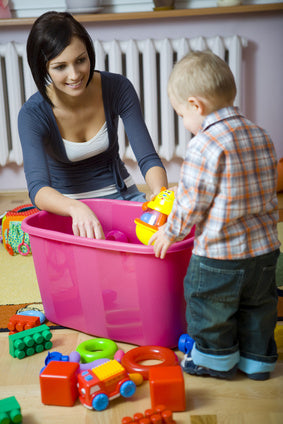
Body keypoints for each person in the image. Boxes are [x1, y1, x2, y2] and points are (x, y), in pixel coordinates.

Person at [149, 51, 280, 380]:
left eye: (181, 114)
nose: (184, 122)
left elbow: (191, 201)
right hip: (265, 251)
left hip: (220, 255)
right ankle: (258, 361)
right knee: (258, 308)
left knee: (210, 305)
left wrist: (172, 232)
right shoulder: (262, 135)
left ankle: (214, 359)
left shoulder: (203, 144)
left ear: (196, 105)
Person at [18, 11, 168, 239]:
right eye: (60, 67)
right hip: (68, 210)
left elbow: (147, 158)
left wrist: (160, 197)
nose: (75, 75)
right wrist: (75, 208)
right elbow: (38, 189)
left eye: (81, 60)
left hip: (122, 197)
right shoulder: (32, 114)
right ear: (43, 68)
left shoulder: (118, 88)